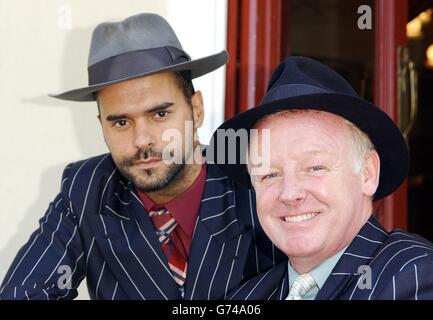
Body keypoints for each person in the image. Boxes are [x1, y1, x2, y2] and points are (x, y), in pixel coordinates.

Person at [0, 13, 284, 300]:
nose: (141, 140)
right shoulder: (86, 190)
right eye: (121, 122)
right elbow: (22, 294)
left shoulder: (257, 182)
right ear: (102, 126)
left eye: (160, 114)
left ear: (196, 109)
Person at [211, 56, 433, 300]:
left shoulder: (415, 274)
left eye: (315, 167)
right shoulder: (245, 297)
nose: (289, 193)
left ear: (368, 173)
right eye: (270, 174)